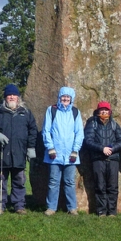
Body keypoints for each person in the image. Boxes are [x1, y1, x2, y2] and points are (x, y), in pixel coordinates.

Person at [0, 84, 38, 215]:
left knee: (19, 181)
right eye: (9, 95)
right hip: (2, 153)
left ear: (18, 97)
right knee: (0, 181)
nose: (11, 97)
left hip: (19, 153)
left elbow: (33, 130)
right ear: (5, 97)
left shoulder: (26, 112)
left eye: (14, 95)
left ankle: (19, 205)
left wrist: (31, 147)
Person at [42, 86, 84, 216]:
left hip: (71, 154)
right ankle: (51, 208)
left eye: (68, 97)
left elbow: (79, 133)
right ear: (59, 97)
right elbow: (46, 130)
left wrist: (75, 150)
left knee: (70, 182)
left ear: (71, 99)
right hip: (54, 153)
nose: (65, 99)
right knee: (53, 182)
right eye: (63, 97)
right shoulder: (51, 110)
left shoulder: (75, 112)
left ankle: (72, 208)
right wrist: (50, 147)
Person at [83, 101, 121, 217]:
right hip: (98, 158)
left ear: (109, 111)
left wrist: (111, 149)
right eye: (101, 110)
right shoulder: (92, 124)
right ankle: (101, 211)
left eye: (106, 110)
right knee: (100, 185)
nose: (104, 112)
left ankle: (112, 211)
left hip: (113, 159)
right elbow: (88, 140)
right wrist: (102, 148)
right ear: (97, 112)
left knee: (113, 186)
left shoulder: (114, 124)